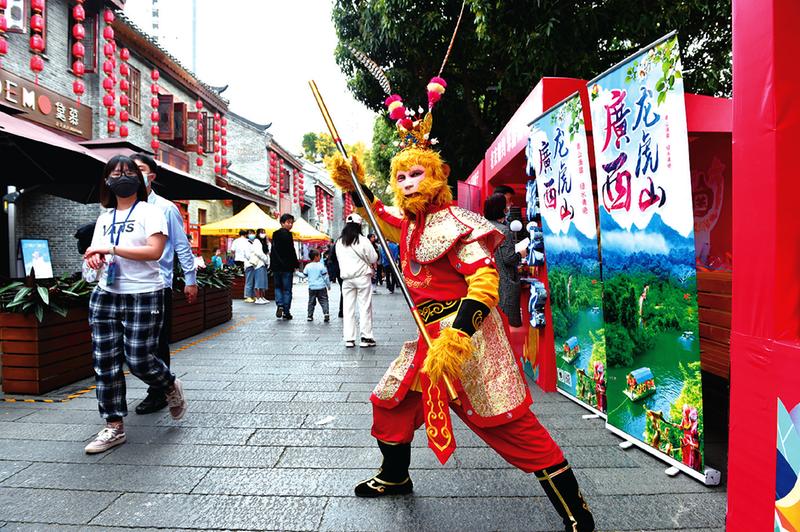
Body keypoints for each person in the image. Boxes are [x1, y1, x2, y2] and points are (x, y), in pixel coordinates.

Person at [328, 75, 593, 531]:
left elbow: (484, 281)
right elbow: (382, 216)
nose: (408, 183)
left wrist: (458, 336)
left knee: (512, 428)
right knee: (390, 400)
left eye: (417, 174)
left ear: (436, 177)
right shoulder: (411, 225)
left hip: (466, 341)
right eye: (401, 177)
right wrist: (354, 182)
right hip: (425, 341)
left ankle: (576, 512)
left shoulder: (455, 223)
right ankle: (395, 477)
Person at [82, 155, 187, 454]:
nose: (122, 177)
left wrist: (110, 248)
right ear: (107, 181)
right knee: (105, 362)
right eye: (115, 173)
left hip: (144, 292)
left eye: (128, 172)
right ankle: (114, 426)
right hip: (106, 293)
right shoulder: (105, 218)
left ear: (140, 180)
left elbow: (154, 251)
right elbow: (100, 254)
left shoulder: (150, 213)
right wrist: (95, 256)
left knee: (139, 358)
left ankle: (168, 384)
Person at [131, 153, 197, 416]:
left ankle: (159, 391)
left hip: (158, 286)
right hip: (127, 285)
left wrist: (190, 281)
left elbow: (182, 248)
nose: (133, 175)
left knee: (157, 342)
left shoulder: (166, 208)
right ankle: (162, 384)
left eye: (140, 169)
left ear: (152, 175)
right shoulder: (123, 208)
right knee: (132, 345)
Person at [336, 213, 378, 348]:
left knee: (348, 308)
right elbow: (373, 258)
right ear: (359, 225)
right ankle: (366, 337)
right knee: (365, 307)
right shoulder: (363, 240)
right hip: (362, 277)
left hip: (346, 280)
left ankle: (349, 338)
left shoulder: (339, 242)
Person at [484, 192, 523, 327]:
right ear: (501, 209)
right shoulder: (504, 230)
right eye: (506, 204)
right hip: (505, 282)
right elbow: (509, 258)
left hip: (488, 281)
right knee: (508, 324)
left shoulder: (483, 227)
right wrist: (521, 254)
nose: (508, 207)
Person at [270, 214, 299, 320]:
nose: (290, 224)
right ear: (282, 223)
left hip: (277, 267)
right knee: (287, 289)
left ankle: (280, 305)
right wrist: (295, 264)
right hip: (287, 267)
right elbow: (291, 251)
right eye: (288, 222)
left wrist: (272, 265)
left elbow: (273, 251)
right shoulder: (288, 235)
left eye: (291, 222)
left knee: (278, 287)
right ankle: (286, 312)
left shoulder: (275, 234)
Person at [303, 249, 330, 322]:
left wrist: (297, 273)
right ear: (316, 257)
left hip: (312, 287)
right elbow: (325, 277)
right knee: (324, 300)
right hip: (321, 287)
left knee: (311, 302)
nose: (320, 257)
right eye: (319, 256)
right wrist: (328, 285)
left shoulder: (308, 266)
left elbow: (304, 275)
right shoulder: (321, 266)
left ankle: (309, 316)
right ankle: (326, 313)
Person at [248, 228, 269, 305]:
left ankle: (261, 297)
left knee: (262, 282)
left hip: (263, 264)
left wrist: (267, 241)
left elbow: (267, 250)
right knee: (258, 282)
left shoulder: (263, 242)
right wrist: (265, 259)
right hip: (258, 264)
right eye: (261, 232)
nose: (263, 234)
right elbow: (259, 252)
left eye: (264, 232)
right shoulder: (257, 241)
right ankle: (258, 298)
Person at [243, 229, 257, 303]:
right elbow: (247, 255)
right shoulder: (246, 243)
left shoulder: (255, 242)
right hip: (249, 264)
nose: (252, 235)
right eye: (250, 233)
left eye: (253, 233)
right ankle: (248, 296)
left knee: (254, 281)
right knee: (249, 281)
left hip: (255, 264)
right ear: (247, 235)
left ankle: (253, 295)